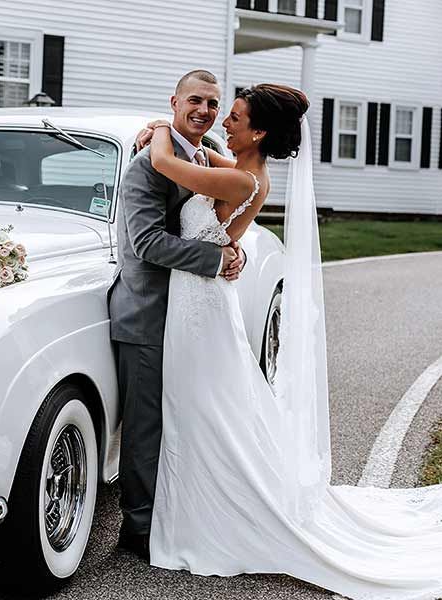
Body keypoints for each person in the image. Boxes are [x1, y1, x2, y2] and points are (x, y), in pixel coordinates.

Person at [139, 83, 442, 599]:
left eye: (233, 117)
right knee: (204, 412)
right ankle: (199, 505)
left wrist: (162, 128)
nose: (222, 123)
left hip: (200, 311)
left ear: (257, 132)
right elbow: (201, 157)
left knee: (198, 412)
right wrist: (172, 133)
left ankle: (206, 518)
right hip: (199, 302)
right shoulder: (244, 171)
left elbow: (168, 166)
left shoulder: (240, 180)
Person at [108, 69, 245, 560]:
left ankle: (179, 510)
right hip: (146, 314)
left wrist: (231, 248)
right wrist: (215, 260)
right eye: (196, 101)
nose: (205, 111)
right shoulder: (146, 167)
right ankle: (139, 531)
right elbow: (145, 243)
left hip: (189, 314)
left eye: (213, 103)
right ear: (174, 101)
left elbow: (218, 215)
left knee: (185, 417)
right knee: (145, 427)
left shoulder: (203, 156)